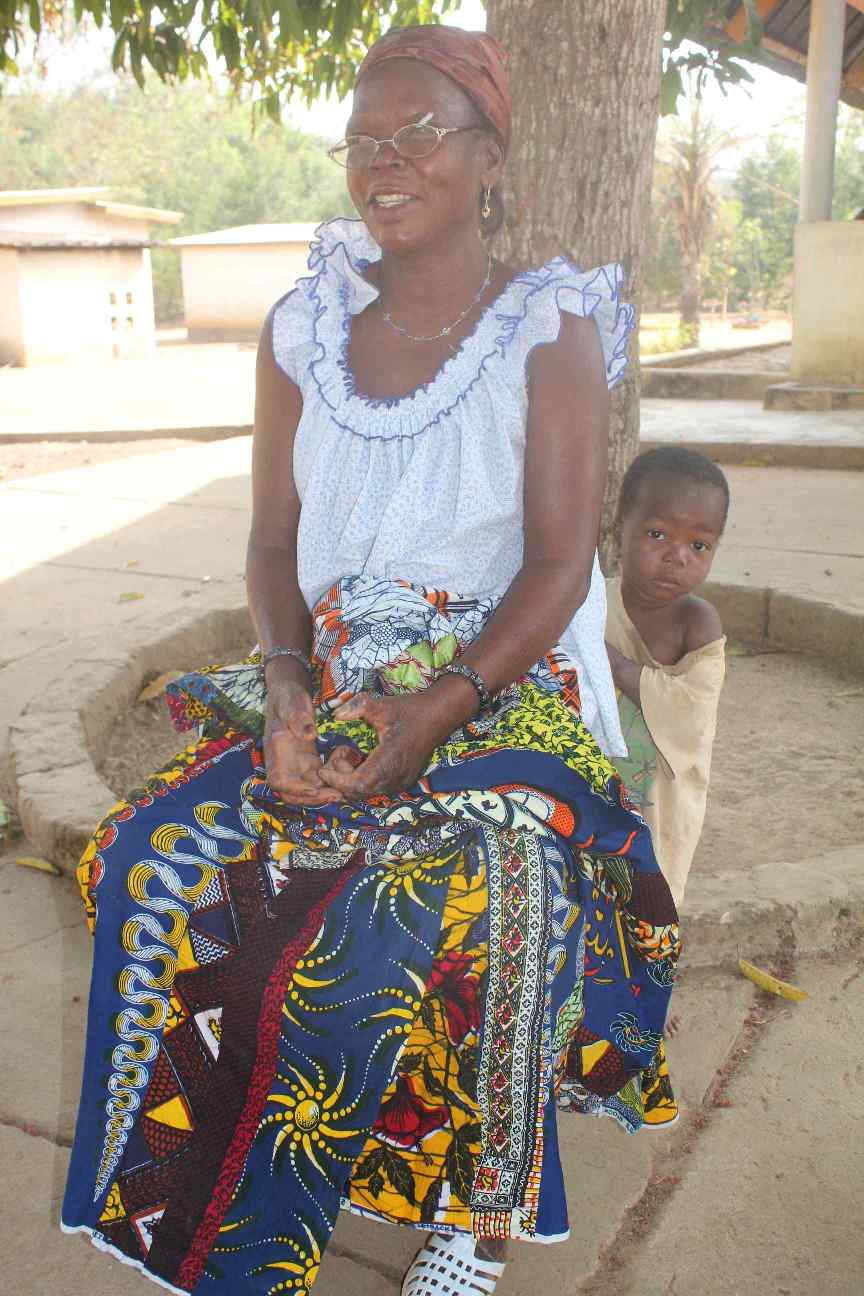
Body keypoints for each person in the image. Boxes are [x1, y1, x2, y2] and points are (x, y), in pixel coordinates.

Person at [61, 25, 679, 1296]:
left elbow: (562, 565)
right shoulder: (302, 326)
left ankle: (481, 1211)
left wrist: (433, 715)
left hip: (499, 677)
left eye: (417, 136)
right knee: (148, 860)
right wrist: (288, 686)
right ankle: (188, 1180)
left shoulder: (546, 330)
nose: (381, 165)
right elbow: (273, 538)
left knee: (480, 892)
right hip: (329, 668)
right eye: (362, 142)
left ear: (490, 159)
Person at [606, 447, 729, 913]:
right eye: (658, 534)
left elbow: (690, 715)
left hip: (661, 801)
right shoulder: (592, 603)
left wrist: (616, 668)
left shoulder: (697, 624)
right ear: (622, 527)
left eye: (699, 545)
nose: (677, 557)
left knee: (649, 901)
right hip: (598, 785)